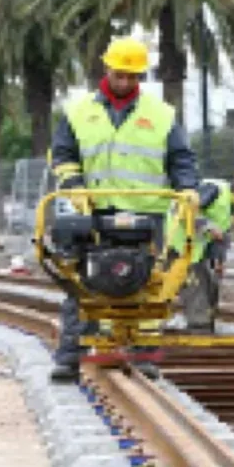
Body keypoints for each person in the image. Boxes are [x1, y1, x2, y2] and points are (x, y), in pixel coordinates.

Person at [49, 36, 200, 383]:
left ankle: (143, 354)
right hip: (93, 209)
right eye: (121, 75)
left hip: (145, 212)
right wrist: (73, 186)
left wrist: (188, 189)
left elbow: (180, 159)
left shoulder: (161, 115)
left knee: (148, 284)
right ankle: (69, 357)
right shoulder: (78, 111)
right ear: (107, 70)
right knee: (82, 285)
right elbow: (63, 154)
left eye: (133, 77)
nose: (126, 82)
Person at [167, 166, 234, 332]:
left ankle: (206, 327)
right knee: (196, 291)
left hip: (194, 254)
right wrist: (207, 226)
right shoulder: (214, 189)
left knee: (210, 287)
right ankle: (199, 331)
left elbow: (221, 237)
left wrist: (219, 261)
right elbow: (185, 210)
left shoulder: (230, 204)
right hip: (179, 249)